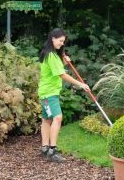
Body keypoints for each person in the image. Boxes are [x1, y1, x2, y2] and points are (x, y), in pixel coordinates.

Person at [38, 28, 90, 162]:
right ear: (53, 39)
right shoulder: (51, 55)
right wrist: (81, 84)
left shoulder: (50, 54)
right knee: (57, 118)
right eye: (60, 41)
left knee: (47, 120)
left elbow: (55, 68)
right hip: (49, 94)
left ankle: (45, 148)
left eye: (63, 41)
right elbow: (62, 74)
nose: (62, 43)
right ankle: (52, 151)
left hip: (46, 92)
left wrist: (64, 61)